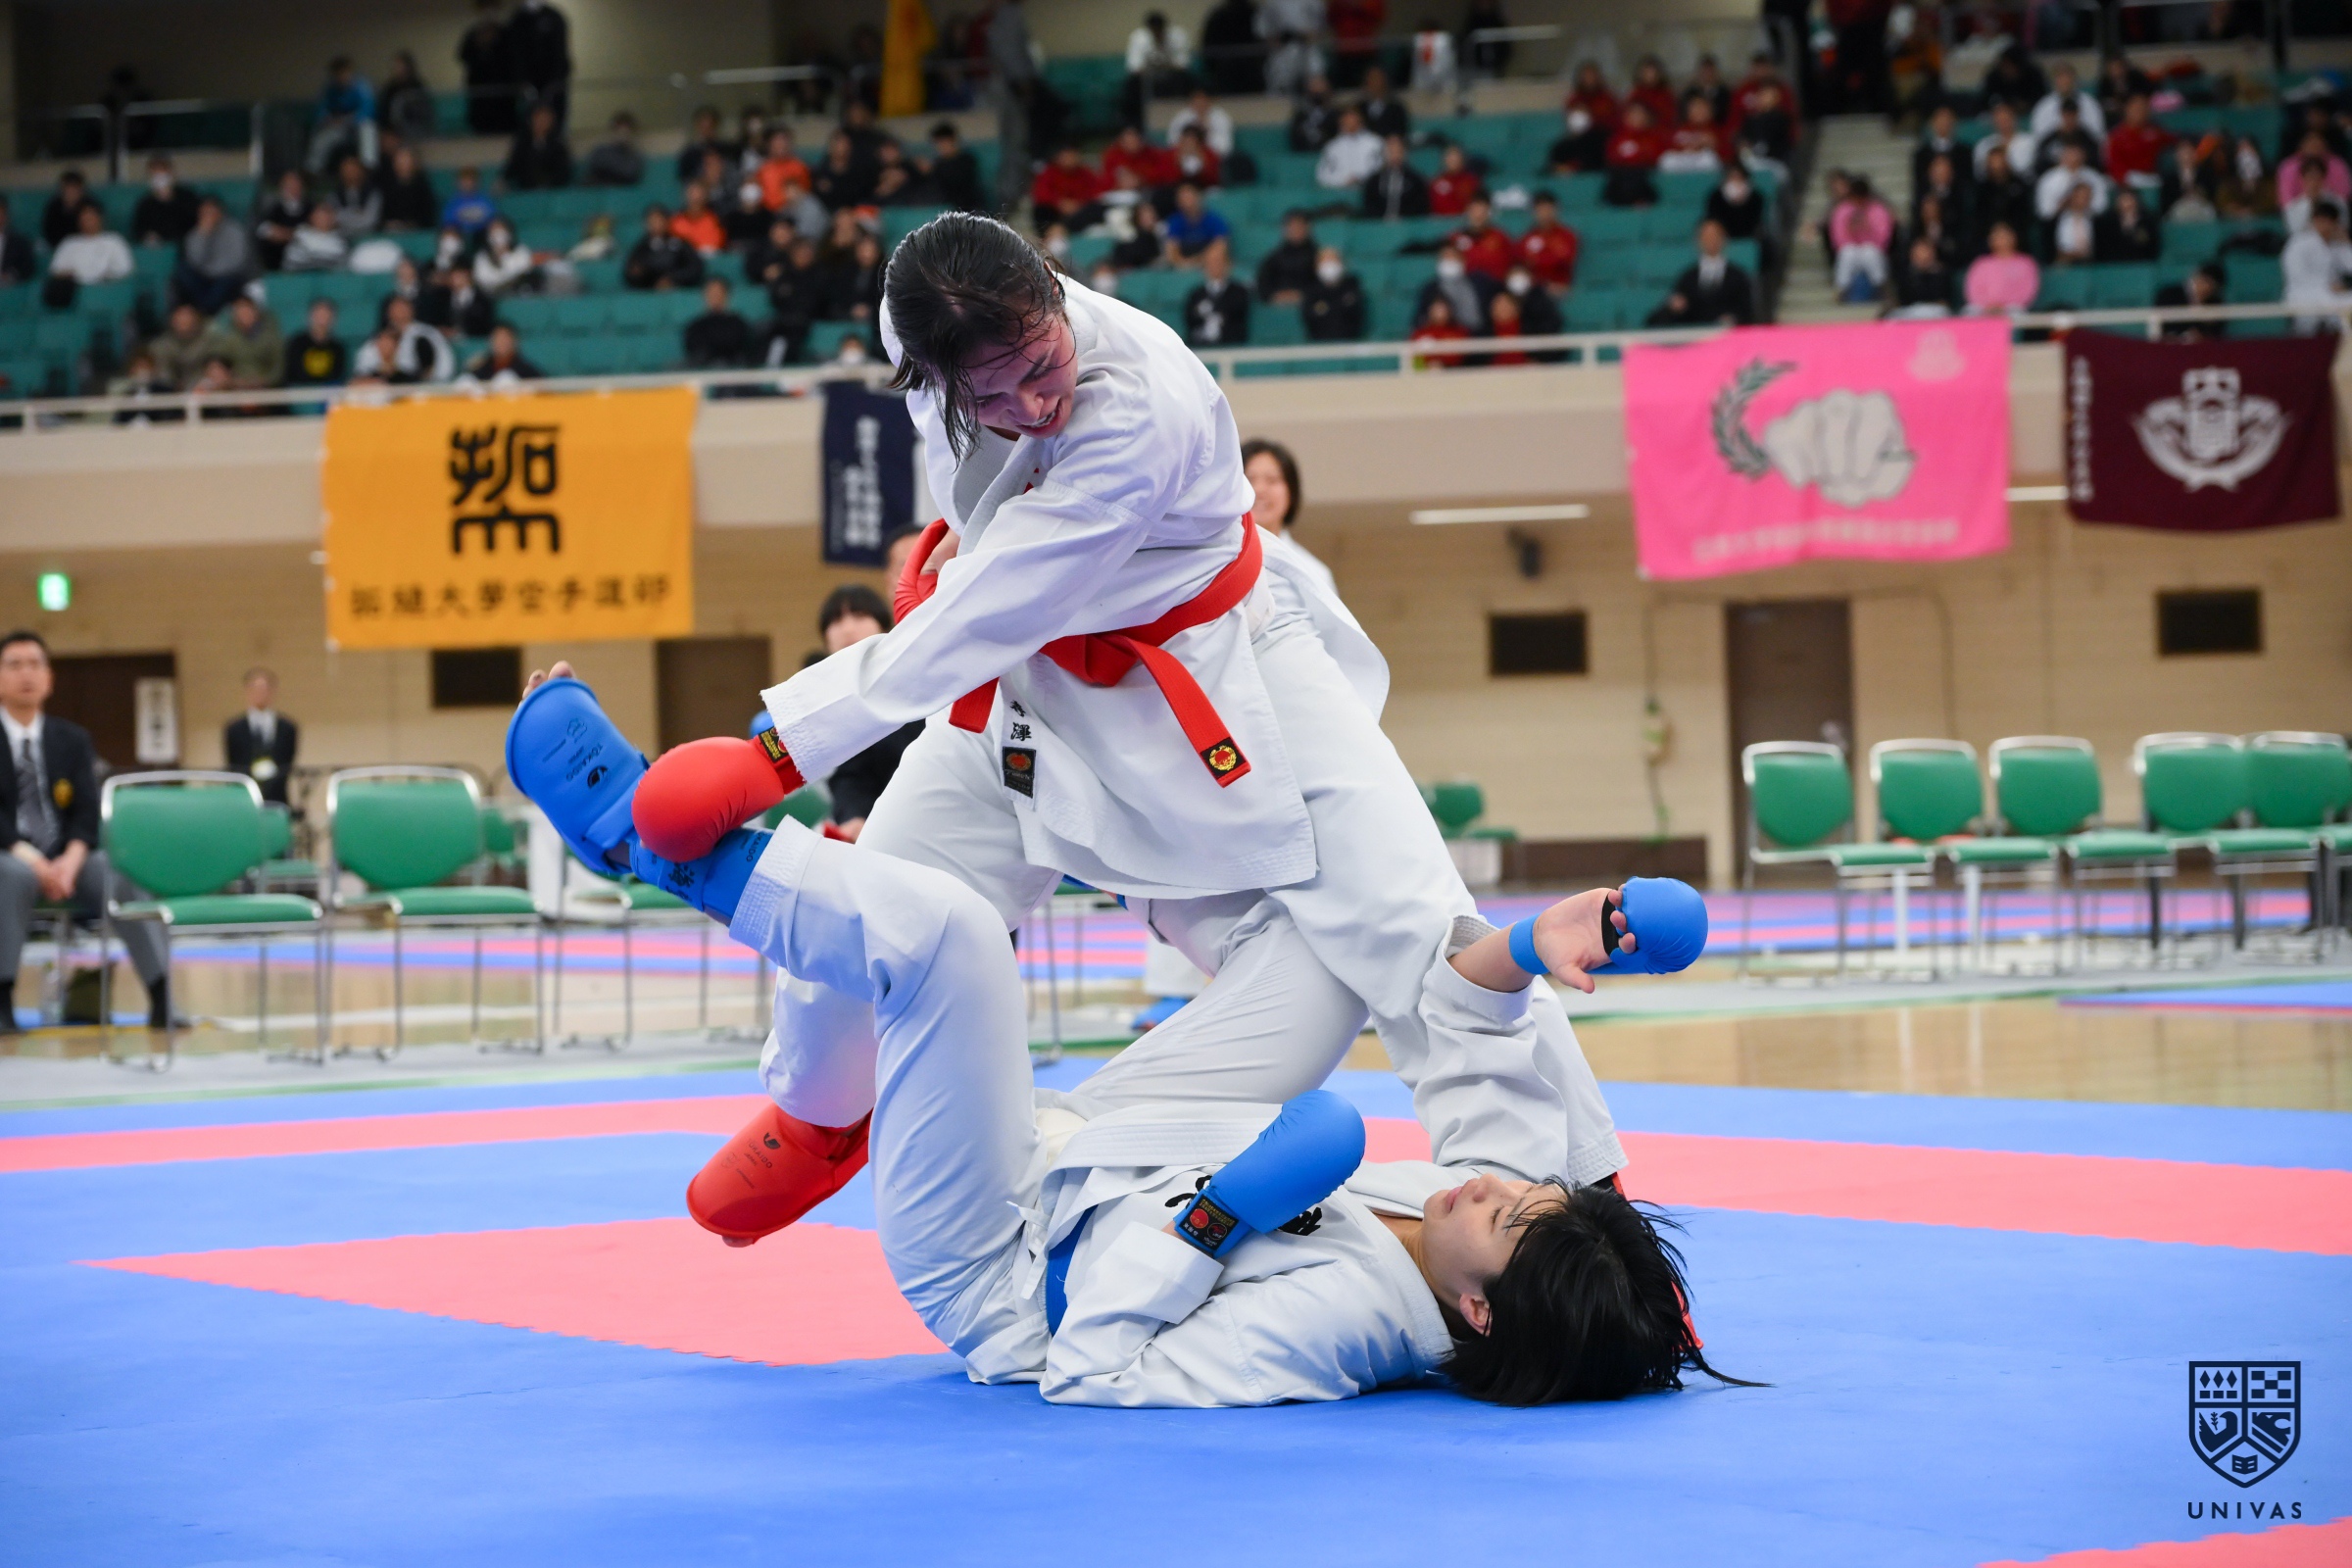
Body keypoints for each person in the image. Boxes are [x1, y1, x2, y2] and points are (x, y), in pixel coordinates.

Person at [589, 212, 1632, 1255]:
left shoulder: (1139, 400)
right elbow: (991, 571)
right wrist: (960, 545)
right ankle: (820, 1115)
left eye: (1043, 366)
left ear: (1054, 289)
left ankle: (1580, 1211)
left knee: (1415, 919)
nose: (1032, 405)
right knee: (871, 903)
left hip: (1216, 670)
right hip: (1024, 701)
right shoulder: (918, 325)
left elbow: (995, 604)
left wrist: (776, 751)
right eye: (991, 397)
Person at [531, 735, 1732, 1407]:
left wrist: (1222, 1214)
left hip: (1002, 1248)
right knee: (1333, 946)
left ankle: (651, 843)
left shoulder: (1343, 1327)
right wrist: (1532, 945)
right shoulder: (1494, 1220)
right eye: (1528, 1191)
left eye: (1508, 1217)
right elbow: (1466, 1028)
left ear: (1477, 1313)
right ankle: (1075, 783)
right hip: (1124, 1145)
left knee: (956, 942)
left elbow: (1093, 1365)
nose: (1494, 1189)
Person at [0, 632, 173, 1036]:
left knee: (117, 875)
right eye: (14, 665)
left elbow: (86, 811)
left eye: (35, 664)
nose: (26, 674)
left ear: (49, 678)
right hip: (11, 856)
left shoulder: (72, 739)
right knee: (11, 877)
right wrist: (35, 862)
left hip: (69, 859)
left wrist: (71, 860)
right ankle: (2, 1000)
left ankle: (162, 994)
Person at [810, 586, 924, 841]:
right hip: (886, 836)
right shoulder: (832, 701)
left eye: (860, 615)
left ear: (884, 626)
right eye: (836, 620)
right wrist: (854, 816)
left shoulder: (920, 677)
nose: (848, 628)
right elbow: (852, 774)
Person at [1645, 218, 1756, 326]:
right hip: (1694, 335)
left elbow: (1747, 311)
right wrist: (1673, 308)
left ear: (1724, 239)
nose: (1711, 240)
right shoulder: (1688, 277)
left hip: (1728, 335)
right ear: (1698, 240)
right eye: (1706, 236)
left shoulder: (1737, 276)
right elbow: (1663, 315)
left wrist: (1734, 318)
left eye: (1715, 235)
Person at [987, 0, 1036, 216]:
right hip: (1009, 88)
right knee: (1014, 143)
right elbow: (1010, 51)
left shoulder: (1002, 15)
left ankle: (1016, 193)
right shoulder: (1009, 15)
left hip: (1006, 87)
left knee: (1016, 143)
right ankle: (1011, 197)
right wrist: (1023, 81)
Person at [222, 668, 298, 805]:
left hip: (277, 798)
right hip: (245, 797)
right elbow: (233, 764)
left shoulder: (287, 728)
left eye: (264, 689)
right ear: (247, 691)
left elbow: (287, 763)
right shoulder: (234, 728)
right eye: (255, 688)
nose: (260, 693)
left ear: (273, 691)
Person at [2281, 198, 2352, 334]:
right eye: (2320, 221)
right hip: (2303, 293)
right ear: (2314, 221)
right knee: (2332, 303)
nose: (2324, 226)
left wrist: (2346, 243)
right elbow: (2296, 276)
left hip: (2331, 295)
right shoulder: (2298, 243)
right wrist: (2327, 285)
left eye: (2329, 222)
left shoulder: (2337, 244)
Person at [505, 0, 573, 131]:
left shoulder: (554, 17)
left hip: (553, 84)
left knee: (555, 124)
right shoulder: (517, 20)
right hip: (527, 85)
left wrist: (556, 82)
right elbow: (515, 55)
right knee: (528, 123)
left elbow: (560, 53)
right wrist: (522, 81)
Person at [198, 289, 284, 389]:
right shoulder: (228, 339)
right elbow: (216, 359)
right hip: (237, 388)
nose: (243, 314)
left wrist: (264, 381)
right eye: (239, 310)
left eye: (247, 309)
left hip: (268, 389)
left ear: (256, 311)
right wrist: (229, 379)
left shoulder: (271, 337)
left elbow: (278, 369)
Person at [1827, 174, 1893, 303]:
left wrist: (1868, 229)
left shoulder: (1878, 210)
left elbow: (1884, 238)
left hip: (1873, 251)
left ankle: (1880, 286)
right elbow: (1837, 238)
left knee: (1869, 251)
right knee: (1847, 252)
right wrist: (1850, 231)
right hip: (1852, 251)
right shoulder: (1842, 210)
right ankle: (1842, 289)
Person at [308, 56, 379, 173]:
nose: (342, 76)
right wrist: (329, 119)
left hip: (357, 127)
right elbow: (321, 111)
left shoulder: (361, 86)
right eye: (339, 73)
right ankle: (312, 172)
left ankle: (369, 168)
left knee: (368, 128)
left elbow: (367, 111)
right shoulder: (330, 88)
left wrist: (348, 120)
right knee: (321, 139)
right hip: (338, 127)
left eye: (345, 72)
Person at [1123, 13, 1193, 130]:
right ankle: (1135, 126)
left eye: (1159, 31)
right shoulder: (1138, 38)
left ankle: (1183, 119)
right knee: (1131, 85)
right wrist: (1153, 68)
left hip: (1171, 77)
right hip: (1147, 78)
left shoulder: (1177, 36)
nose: (1157, 34)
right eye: (1154, 31)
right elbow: (1134, 68)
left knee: (1186, 80)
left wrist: (1164, 66)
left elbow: (1183, 65)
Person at [47, 204, 134, 298]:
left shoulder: (114, 240)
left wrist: (107, 276)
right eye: (84, 219)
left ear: (100, 219)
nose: (88, 222)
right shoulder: (69, 243)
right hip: (74, 292)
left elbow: (125, 269)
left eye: (91, 218)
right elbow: (56, 270)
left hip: (107, 290)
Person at [459, 0, 518, 136]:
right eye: (484, 9)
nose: (488, 13)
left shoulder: (507, 33)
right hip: (480, 99)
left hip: (503, 98)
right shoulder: (472, 35)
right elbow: (463, 56)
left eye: (491, 9)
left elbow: (513, 59)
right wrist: (479, 44)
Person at [1549, 62, 1617, 173]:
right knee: (1560, 147)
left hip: (1601, 137)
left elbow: (1614, 122)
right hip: (1579, 137)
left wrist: (1591, 117)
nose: (1589, 79)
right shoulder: (1574, 100)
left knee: (1594, 144)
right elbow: (1571, 124)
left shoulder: (1608, 98)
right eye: (1586, 76)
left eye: (1592, 76)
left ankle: (1578, 168)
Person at [1182, 240, 1250, 347]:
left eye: (1218, 261)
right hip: (1201, 347)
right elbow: (1190, 319)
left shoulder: (1239, 292)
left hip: (1231, 347)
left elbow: (1237, 317)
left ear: (1227, 264)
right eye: (1210, 262)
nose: (1214, 266)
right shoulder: (1196, 294)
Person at [1963, 220, 2038, 317]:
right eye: (1997, 236)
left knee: (2017, 313)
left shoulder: (2025, 263)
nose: (2001, 239)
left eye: (2004, 236)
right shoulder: (1981, 263)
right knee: (1969, 312)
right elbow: (1972, 291)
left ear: (2014, 237)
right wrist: (1988, 306)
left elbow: (2027, 291)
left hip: (2012, 308)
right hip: (1983, 308)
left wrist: (2002, 306)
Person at [623, 204, 705, 291]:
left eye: (659, 220)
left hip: (678, 290)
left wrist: (674, 279)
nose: (656, 224)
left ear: (667, 221)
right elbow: (631, 273)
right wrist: (650, 280)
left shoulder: (681, 244)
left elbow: (694, 267)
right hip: (650, 292)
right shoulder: (641, 248)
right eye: (652, 221)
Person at [1601, 101, 1665, 208]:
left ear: (1647, 117)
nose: (1636, 117)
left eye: (1640, 114)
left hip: (1644, 175)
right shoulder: (1616, 138)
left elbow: (1656, 159)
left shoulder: (1654, 138)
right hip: (1620, 176)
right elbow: (1611, 159)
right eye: (1633, 113)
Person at [1031, 144, 1106, 233]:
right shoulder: (1048, 173)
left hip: (1079, 211)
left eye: (1072, 157)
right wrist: (1059, 203)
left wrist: (1078, 204)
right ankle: (1051, 232)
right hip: (1056, 212)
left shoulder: (1085, 173)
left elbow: (1096, 192)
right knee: (1042, 210)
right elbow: (1041, 194)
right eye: (1066, 157)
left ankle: (1064, 229)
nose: (1069, 160)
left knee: (1097, 208)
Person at [131, 155, 203, 246]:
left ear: (171, 174)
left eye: (162, 174)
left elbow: (199, 224)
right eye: (155, 175)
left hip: (188, 245)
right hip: (159, 249)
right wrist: (148, 237)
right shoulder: (145, 205)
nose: (159, 179)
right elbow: (138, 232)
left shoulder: (188, 197)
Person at [1515, 190, 1579, 292]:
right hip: (1533, 289)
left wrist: (1536, 260)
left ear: (1555, 210)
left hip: (1559, 286)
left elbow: (1563, 261)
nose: (1544, 214)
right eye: (1540, 209)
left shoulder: (1567, 236)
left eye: (1547, 209)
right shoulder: (1527, 238)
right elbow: (1521, 262)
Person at [2106, 93, 2171, 191]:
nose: (2140, 112)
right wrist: (2123, 180)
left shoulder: (2154, 131)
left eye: (2143, 108)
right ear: (2127, 110)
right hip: (2128, 178)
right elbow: (2113, 164)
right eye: (2136, 108)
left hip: (2151, 176)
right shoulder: (2117, 135)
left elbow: (2174, 140)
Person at [1444, 194, 1514, 284]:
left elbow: (1513, 265)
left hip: (1495, 286)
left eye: (1482, 212)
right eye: (1474, 211)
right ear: (1467, 212)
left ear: (1489, 214)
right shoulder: (1455, 238)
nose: (1478, 216)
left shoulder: (1500, 237)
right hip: (1463, 285)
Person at [2035, 141, 2111, 225]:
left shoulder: (2094, 178)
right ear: (2062, 156)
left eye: (2077, 154)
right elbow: (2044, 211)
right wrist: (2065, 203)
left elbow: (2101, 207)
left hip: (2089, 222)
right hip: (2057, 224)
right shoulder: (2049, 179)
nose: (2074, 158)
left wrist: (2083, 203)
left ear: (2084, 156)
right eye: (2070, 154)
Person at [684, 276, 753, 368]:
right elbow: (695, 350)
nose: (715, 296)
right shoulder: (695, 326)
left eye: (719, 292)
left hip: (732, 368)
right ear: (705, 296)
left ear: (727, 295)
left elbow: (741, 348)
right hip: (704, 368)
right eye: (711, 292)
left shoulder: (739, 324)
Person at [504, 100, 573, 189]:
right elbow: (513, 167)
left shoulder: (558, 146)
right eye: (538, 117)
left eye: (546, 118)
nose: (542, 122)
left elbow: (563, 172)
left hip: (552, 191)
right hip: (526, 191)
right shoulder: (522, 145)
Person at [1360, 133, 1430, 220]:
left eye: (1398, 151)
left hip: (1408, 224)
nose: (1395, 155)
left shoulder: (1416, 181)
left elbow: (1420, 208)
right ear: (1384, 153)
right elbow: (1369, 207)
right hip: (1379, 225)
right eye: (1391, 151)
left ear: (1404, 153)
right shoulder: (1373, 182)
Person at [1256, 211, 1320, 304]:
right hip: (1278, 303)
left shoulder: (1319, 256)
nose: (1296, 230)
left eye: (1299, 226)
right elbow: (1262, 284)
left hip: (1309, 303)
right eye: (1292, 226)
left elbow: (1325, 285)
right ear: (1285, 230)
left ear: (1308, 228)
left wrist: (1302, 295)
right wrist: (1276, 295)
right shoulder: (1274, 258)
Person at [1302, 247, 1365, 340]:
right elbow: (1310, 316)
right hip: (1320, 342)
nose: (1329, 265)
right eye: (1325, 262)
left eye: (1333, 261)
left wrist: (1325, 308)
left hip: (1349, 340)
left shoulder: (1352, 286)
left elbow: (1356, 314)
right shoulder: (1311, 290)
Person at [1315, 106, 1384, 191]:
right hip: (1339, 192)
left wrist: (1360, 178)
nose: (1350, 123)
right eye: (1346, 120)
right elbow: (1322, 176)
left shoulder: (1375, 143)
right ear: (1340, 122)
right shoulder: (1332, 147)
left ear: (1360, 121)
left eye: (1353, 119)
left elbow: (1379, 169)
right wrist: (1343, 181)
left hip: (1368, 190)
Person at [282, 298, 348, 387]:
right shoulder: (297, 343)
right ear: (310, 316)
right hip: (300, 391)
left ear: (333, 318)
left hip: (327, 392)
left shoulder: (338, 348)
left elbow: (338, 376)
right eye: (319, 315)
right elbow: (291, 374)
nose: (322, 320)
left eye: (326, 315)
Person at [2154, 263, 2229, 341]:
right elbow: (2161, 323)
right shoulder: (2168, 294)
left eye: (2212, 287)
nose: (2207, 288)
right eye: (2205, 281)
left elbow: (2216, 331)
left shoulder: (2215, 303)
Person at [921, 122, 984, 213]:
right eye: (938, 143)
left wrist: (933, 170)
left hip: (970, 206)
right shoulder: (938, 163)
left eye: (944, 142)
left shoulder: (966, 160)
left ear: (953, 140)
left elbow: (959, 182)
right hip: (946, 206)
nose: (941, 147)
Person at [1160, 182, 1230, 265]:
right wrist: (1185, 263)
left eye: (1189, 197)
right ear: (1178, 202)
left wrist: (1204, 260)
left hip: (1209, 262)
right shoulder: (1175, 222)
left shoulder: (1213, 220)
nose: (1187, 202)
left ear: (1198, 197)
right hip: (1184, 265)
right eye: (1183, 199)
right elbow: (1172, 251)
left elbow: (1221, 245)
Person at [380, 50, 435, 147]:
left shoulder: (417, 86)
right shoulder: (390, 88)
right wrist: (388, 130)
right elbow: (385, 111)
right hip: (394, 130)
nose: (397, 68)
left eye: (400, 65)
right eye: (395, 66)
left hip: (415, 129)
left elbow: (425, 110)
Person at [1887, 236, 1954, 316]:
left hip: (1935, 310)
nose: (1923, 255)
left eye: (1926, 251)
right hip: (1910, 310)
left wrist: (1932, 273)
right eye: (1919, 251)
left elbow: (1943, 300)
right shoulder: (1904, 273)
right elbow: (1904, 299)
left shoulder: (1942, 272)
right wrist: (1917, 272)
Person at [377, 147, 440, 230]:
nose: (403, 164)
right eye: (400, 160)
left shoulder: (423, 187)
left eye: (406, 160)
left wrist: (411, 224)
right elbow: (382, 216)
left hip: (417, 231)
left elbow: (427, 216)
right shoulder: (386, 187)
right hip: (391, 232)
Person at [464, 321, 546, 383]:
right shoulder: (482, 368)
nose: (502, 343)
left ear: (514, 341)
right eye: (498, 339)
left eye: (505, 338)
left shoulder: (527, 371)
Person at [1167, 84, 1235, 157]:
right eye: (1196, 99)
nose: (1199, 103)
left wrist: (1207, 131)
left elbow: (1225, 147)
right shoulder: (1182, 117)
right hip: (1184, 157)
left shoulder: (1221, 117)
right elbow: (1172, 142)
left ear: (1209, 100)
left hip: (1213, 157)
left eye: (1202, 99)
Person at [2096, 186, 2159, 263]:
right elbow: (2103, 247)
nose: (2127, 204)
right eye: (2124, 200)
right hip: (2114, 263)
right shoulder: (2106, 222)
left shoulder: (2148, 221)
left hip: (2141, 263)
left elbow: (2153, 246)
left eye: (2130, 200)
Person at [281, 204, 349, 273]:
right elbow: (292, 262)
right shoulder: (300, 236)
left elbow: (341, 265)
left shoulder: (340, 241)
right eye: (320, 216)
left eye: (328, 216)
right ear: (312, 217)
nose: (325, 220)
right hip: (301, 276)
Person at [584, 111, 645, 186]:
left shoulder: (633, 157)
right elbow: (595, 170)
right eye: (620, 131)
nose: (623, 135)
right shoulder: (600, 151)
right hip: (598, 190)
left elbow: (630, 175)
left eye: (626, 132)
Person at [1409, 294, 1471, 368]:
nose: (1440, 313)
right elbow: (1414, 359)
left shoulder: (1460, 332)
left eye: (1442, 309)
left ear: (1449, 311)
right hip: (1425, 372)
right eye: (1437, 309)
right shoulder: (1420, 334)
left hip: (1454, 371)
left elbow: (1461, 358)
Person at [327, 155, 381, 238]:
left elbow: (370, 220)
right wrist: (357, 213)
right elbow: (331, 218)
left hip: (369, 238)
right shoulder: (334, 195)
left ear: (361, 171)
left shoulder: (373, 193)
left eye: (353, 169)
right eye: (346, 170)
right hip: (341, 238)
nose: (350, 173)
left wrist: (342, 215)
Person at [41, 170, 93, 250]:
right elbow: (49, 234)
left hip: (87, 247)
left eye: (75, 189)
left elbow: (95, 232)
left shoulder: (91, 207)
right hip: (61, 248)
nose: (71, 193)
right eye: (68, 189)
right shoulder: (54, 208)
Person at [1355, 63, 1409, 141]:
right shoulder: (1358, 108)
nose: (1374, 82)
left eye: (1377, 78)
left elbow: (1400, 134)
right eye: (1371, 78)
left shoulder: (1396, 108)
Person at [1289, 74, 1340, 153]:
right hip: (1304, 154)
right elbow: (1295, 137)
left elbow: (1337, 138)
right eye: (1314, 87)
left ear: (1328, 90)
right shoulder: (1301, 115)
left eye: (1320, 88)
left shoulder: (1336, 115)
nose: (1317, 91)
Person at [1427, 144, 1482, 217]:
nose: (1453, 160)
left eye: (1456, 157)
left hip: (1464, 221)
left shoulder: (1472, 182)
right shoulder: (1435, 183)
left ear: (1462, 159)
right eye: (1450, 157)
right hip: (1440, 222)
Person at [440, 167, 497, 235]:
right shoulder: (452, 203)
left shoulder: (485, 200)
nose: (467, 184)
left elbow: (493, 218)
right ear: (458, 183)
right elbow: (448, 222)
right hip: (460, 233)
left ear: (476, 183)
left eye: (470, 181)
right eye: (464, 181)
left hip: (483, 233)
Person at [0, 196, 34, 288]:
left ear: (5, 215)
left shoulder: (19, 242)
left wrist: (9, 275)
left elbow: (27, 268)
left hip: (7, 286)